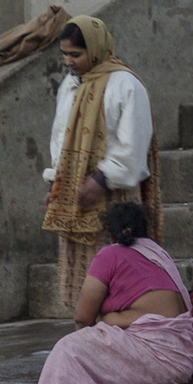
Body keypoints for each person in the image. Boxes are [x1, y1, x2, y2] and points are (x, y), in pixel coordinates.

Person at [28, 202, 193, 384]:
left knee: (67, 351)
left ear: (110, 233)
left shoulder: (109, 255)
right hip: (181, 361)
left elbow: (82, 317)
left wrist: (109, 320)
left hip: (153, 357)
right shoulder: (159, 255)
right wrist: (115, 320)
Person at [42, 15, 161, 308]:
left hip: (114, 197)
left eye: (76, 54)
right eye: (65, 55)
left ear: (95, 49)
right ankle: (89, 335)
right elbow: (60, 138)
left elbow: (133, 144)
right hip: (76, 197)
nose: (69, 62)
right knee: (83, 288)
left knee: (117, 279)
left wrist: (101, 179)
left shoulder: (125, 85)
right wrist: (57, 184)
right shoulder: (70, 87)